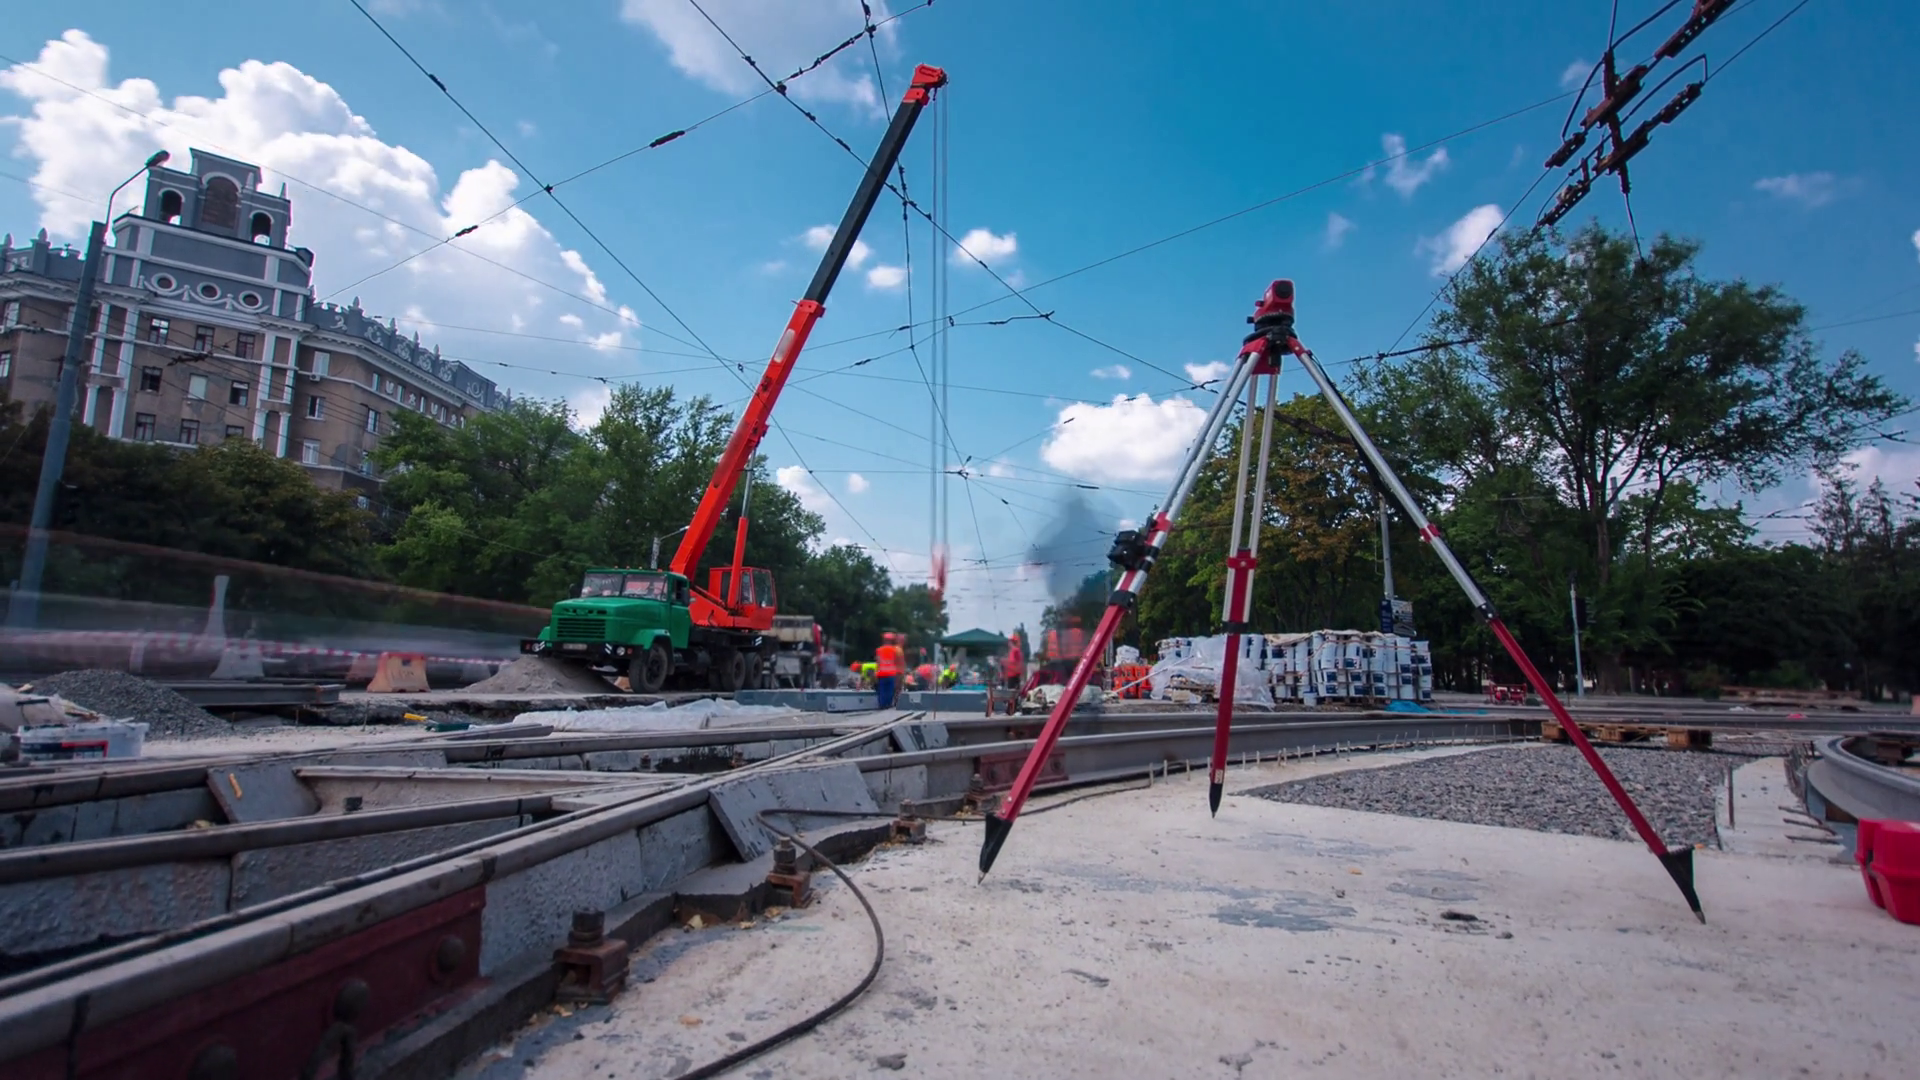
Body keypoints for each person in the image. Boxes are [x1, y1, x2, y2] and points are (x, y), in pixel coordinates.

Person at [874, 632, 906, 708]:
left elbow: (878, 662)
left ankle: (881, 705)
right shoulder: (895, 650)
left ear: (883, 640)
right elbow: (897, 661)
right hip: (891, 673)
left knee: (882, 690)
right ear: (892, 641)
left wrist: (876, 672)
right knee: (890, 690)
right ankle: (888, 705)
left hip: (881, 673)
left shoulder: (879, 650)